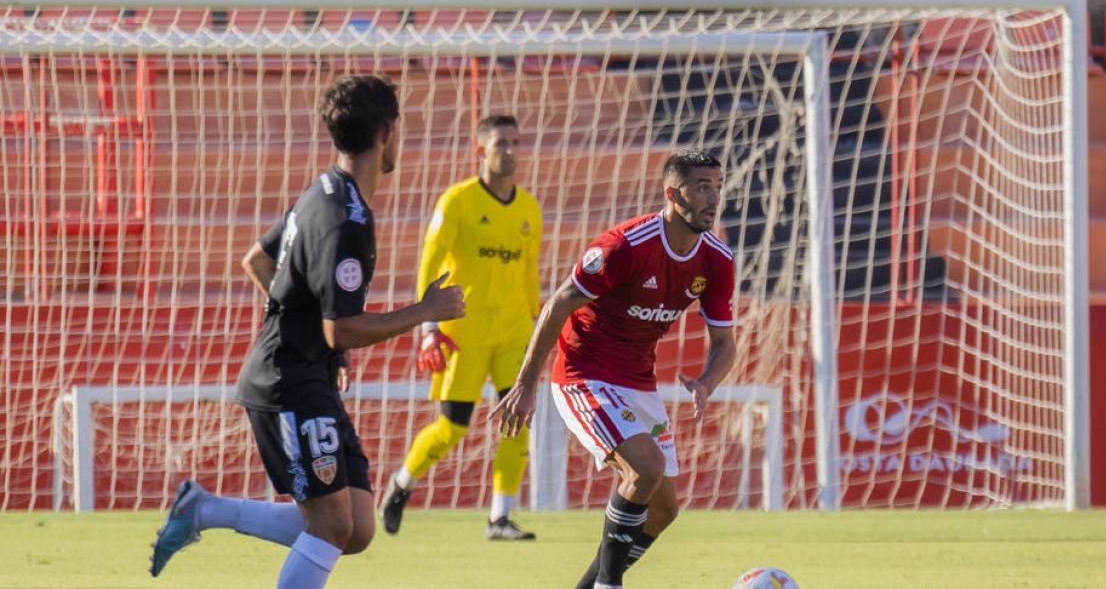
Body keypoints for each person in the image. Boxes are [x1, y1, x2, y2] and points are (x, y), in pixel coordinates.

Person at [149, 74, 466, 589]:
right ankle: (203, 510)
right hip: (287, 382)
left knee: (357, 525)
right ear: (387, 130)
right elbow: (340, 328)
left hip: (305, 373)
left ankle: (203, 510)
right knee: (331, 526)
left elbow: (258, 260)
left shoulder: (324, 189)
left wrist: (316, 337)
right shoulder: (347, 218)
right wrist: (423, 310)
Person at [491, 149, 738, 589]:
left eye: (717, 186)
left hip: (638, 381)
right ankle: (610, 585)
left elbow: (725, 343)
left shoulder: (717, 259)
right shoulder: (625, 245)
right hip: (583, 374)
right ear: (671, 193)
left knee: (663, 509)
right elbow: (560, 302)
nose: (713, 197)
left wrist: (706, 381)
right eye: (701, 187)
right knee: (643, 468)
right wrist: (526, 384)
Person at [379, 115, 543, 541]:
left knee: (516, 419)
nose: (509, 150)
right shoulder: (457, 201)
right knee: (452, 427)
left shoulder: (529, 208)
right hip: (462, 332)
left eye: (515, 141)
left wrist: (538, 326)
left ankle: (500, 517)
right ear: (480, 150)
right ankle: (401, 484)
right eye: (500, 142)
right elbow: (431, 262)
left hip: (513, 332)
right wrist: (427, 325)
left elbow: (530, 274)